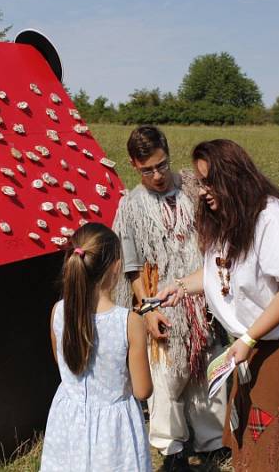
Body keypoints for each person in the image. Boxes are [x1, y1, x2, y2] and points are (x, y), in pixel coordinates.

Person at [159, 139, 279, 471]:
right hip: (255, 338)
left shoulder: (271, 217)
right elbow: (220, 270)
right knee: (257, 423)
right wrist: (181, 287)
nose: (203, 192)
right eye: (201, 183)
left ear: (234, 177)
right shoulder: (226, 215)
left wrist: (249, 338)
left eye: (210, 182)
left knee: (278, 422)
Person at [112, 126, 226, 471]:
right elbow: (131, 268)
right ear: (134, 164)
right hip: (162, 301)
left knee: (211, 366)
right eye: (147, 169)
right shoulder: (131, 207)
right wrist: (147, 309)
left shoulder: (194, 187)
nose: (158, 175)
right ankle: (171, 446)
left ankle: (214, 440)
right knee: (167, 374)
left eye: (162, 165)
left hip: (205, 295)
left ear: (167, 155)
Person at [40, 222, 153, 472]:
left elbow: (63, 362)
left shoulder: (58, 312)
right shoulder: (129, 322)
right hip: (114, 431)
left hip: (68, 421)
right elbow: (143, 390)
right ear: (117, 267)